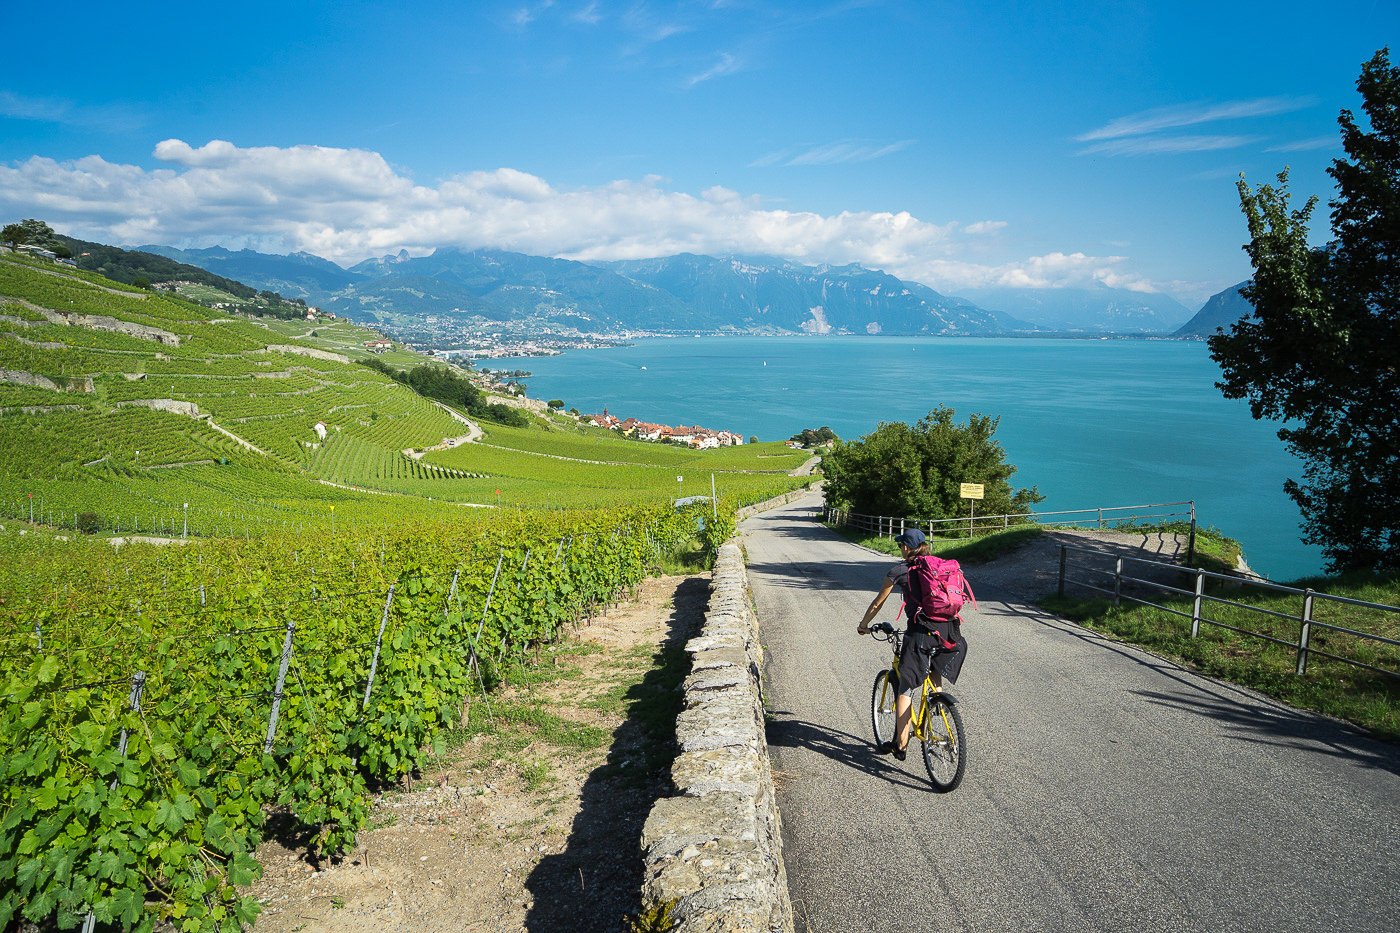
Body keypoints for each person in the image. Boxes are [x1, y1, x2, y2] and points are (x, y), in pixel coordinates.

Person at [856, 528, 968, 760]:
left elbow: (878, 603)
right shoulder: (938, 567)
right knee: (933, 673)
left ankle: (901, 745)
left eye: (900, 546)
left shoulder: (900, 570)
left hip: (920, 632)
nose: (900, 549)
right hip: (950, 632)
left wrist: (864, 625)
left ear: (906, 547)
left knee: (905, 687)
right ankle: (937, 706)